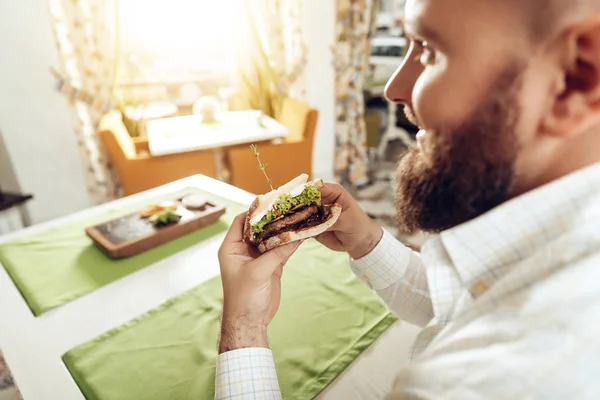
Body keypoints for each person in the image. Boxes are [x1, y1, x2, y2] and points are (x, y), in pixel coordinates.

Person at [215, 0, 600, 398]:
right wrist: (366, 240)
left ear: (576, 78)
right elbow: (461, 303)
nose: (394, 89)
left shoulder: (474, 382)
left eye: (430, 50)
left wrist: (244, 326)